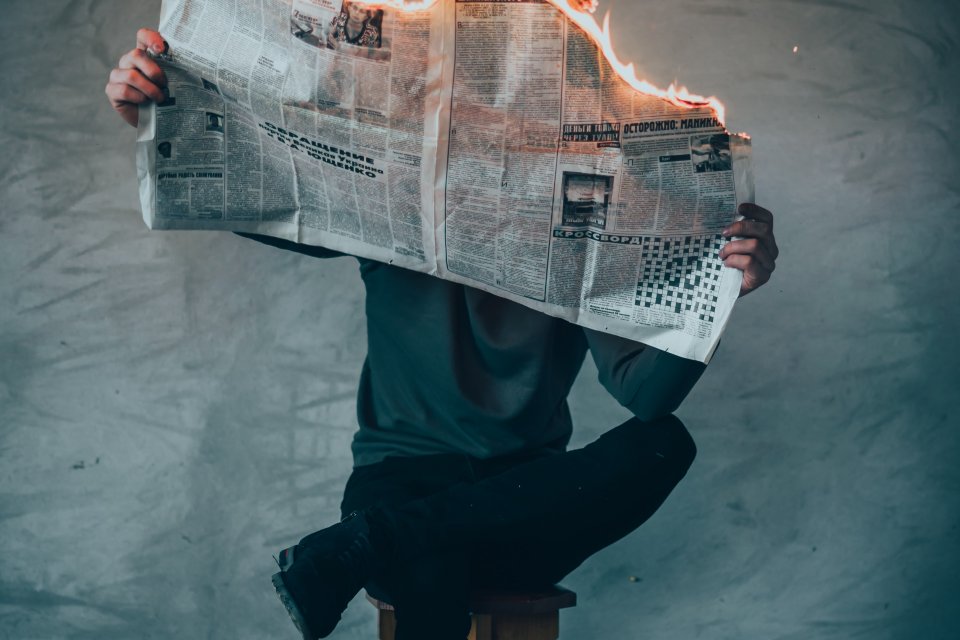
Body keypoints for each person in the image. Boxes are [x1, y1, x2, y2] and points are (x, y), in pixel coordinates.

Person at [106, 24, 779, 640]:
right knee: (433, 568)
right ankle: (384, 538)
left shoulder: (593, 214)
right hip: (401, 483)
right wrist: (158, 113)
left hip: (523, 501)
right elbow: (267, 200)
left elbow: (647, 397)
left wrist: (719, 293)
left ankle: (367, 544)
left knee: (663, 445)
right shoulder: (393, 188)